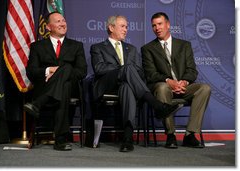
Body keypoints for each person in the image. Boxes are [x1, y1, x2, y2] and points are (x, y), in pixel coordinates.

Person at [90, 15, 181, 152]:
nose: (126, 30)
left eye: (126, 27)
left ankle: (127, 138)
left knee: (127, 87)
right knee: (127, 68)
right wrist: (123, 70)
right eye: (122, 26)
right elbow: (99, 68)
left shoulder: (131, 49)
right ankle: (156, 104)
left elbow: (140, 72)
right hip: (107, 85)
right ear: (111, 27)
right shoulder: (97, 47)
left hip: (128, 86)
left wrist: (127, 73)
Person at [141, 12, 211, 148]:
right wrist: (169, 81)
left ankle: (190, 134)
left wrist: (184, 81)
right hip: (164, 87)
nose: (157, 28)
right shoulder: (147, 49)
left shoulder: (184, 45)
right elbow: (151, 74)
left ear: (168, 25)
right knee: (162, 88)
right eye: (154, 26)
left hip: (183, 87)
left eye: (160, 24)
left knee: (204, 88)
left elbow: (192, 70)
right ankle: (170, 135)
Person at [23, 11, 87, 151]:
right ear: (48, 27)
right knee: (64, 84)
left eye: (63, 20)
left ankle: (38, 103)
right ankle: (60, 139)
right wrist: (48, 70)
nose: (62, 23)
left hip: (71, 89)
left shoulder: (76, 46)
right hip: (45, 86)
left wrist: (60, 72)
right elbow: (31, 72)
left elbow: (82, 71)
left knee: (67, 70)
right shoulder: (37, 46)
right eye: (58, 21)